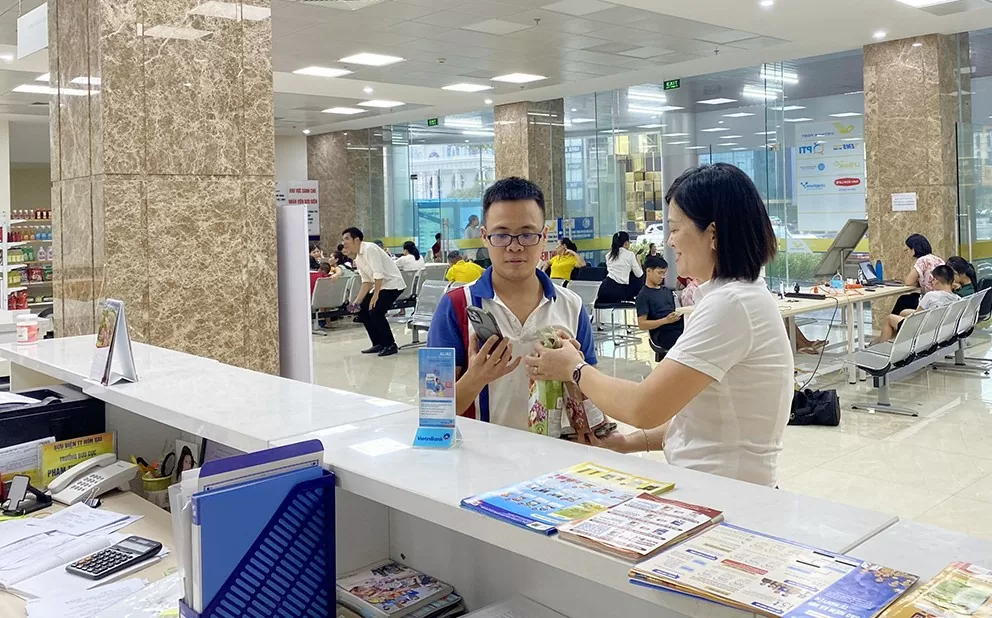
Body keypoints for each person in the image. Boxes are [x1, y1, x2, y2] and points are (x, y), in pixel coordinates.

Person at [525, 163, 794, 488]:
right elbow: (697, 419)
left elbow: (644, 406)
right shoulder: (732, 298)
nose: (670, 241)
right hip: (721, 487)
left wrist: (574, 368)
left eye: (676, 228)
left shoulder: (732, 305)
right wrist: (624, 443)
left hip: (726, 494)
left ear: (712, 234)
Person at [427, 177, 596, 430]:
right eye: (502, 235)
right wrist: (476, 378)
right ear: (484, 236)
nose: (515, 247)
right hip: (481, 460)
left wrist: (576, 371)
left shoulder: (571, 304)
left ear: (544, 236)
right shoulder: (455, 305)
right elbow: (433, 412)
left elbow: (591, 401)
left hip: (557, 456)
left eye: (527, 234)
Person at [341, 227, 407, 357]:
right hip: (379, 285)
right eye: (343, 240)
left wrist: (375, 295)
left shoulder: (370, 249)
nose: (344, 242)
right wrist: (356, 302)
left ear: (357, 239)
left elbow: (378, 274)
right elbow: (367, 282)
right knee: (363, 310)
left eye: (347, 239)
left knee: (376, 311)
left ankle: (390, 345)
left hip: (392, 284)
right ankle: (378, 343)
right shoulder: (358, 258)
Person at [878, 265, 959, 342]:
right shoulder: (957, 298)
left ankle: (881, 346)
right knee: (903, 312)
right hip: (943, 330)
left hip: (925, 332)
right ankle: (890, 341)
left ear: (936, 281)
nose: (931, 282)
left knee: (890, 318)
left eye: (932, 280)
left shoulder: (931, 296)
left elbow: (917, 316)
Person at [636, 255, 683, 352]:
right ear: (649, 271)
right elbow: (642, 324)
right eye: (659, 273)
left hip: (675, 326)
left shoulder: (667, 291)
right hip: (661, 333)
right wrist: (665, 320)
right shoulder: (643, 296)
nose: (662, 276)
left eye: (664, 273)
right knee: (683, 341)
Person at [892, 234, 944, 314]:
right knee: (911, 297)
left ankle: (896, 323)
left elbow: (908, 282)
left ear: (913, 250)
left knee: (903, 300)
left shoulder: (922, 260)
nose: (906, 253)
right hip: (941, 300)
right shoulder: (938, 259)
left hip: (930, 302)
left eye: (907, 250)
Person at [598, 231, 643, 303]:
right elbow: (639, 274)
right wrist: (638, 260)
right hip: (620, 291)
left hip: (605, 288)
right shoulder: (630, 254)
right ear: (626, 243)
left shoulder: (608, 255)